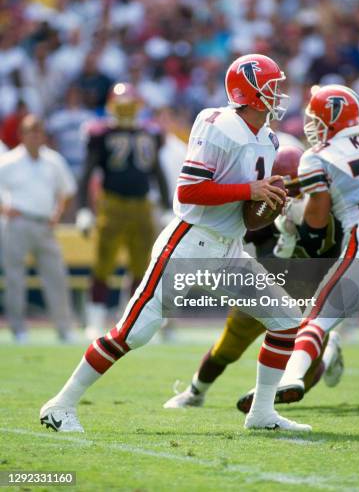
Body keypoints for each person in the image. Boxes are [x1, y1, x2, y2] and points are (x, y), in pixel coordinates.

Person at [40, 53, 311, 433]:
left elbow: (249, 217)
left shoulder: (268, 139)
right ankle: (60, 404)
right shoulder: (217, 123)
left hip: (230, 248)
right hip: (189, 244)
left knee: (284, 320)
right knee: (132, 333)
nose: (278, 93)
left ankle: (262, 412)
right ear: (247, 91)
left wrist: (270, 204)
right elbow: (189, 190)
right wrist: (250, 188)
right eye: (271, 86)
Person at [164, 146, 344, 411]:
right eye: (286, 189)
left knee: (299, 381)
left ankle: (329, 354)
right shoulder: (263, 206)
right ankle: (195, 392)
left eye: (298, 189)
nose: (291, 197)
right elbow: (234, 235)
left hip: (307, 301)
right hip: (264, 291)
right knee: (226, 348)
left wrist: (299, 233)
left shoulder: (330, 214)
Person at [275, 84, 359, 408]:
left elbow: (317, 218)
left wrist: (300, 228)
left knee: (318, 319)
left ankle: (292, 376)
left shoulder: (318, 155)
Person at [75, 82, 170, 337]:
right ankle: (95, 319)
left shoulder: (150, 133)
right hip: (112, 204)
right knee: (103, 262)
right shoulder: (101, 133)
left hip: (142, 206)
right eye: (122, 106)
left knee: (143, 266)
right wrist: (84, 209)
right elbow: (86, 173)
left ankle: (132, 319)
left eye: (130, 106)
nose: (127, 112)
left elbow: (157, 171)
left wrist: (166, 206)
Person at [0, 114, 77, 343]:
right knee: (15, 279)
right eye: (30, 131)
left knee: (56, 277)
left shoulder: (53, 161)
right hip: (18, 223)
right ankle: (18, 329)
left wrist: (58, 212)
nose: (35, 135)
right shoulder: (9, 161)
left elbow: (66, 190)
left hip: (45, 224)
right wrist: (4, 209)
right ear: (22, 135)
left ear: (43, 135)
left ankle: (64, 328)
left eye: (38, 131)